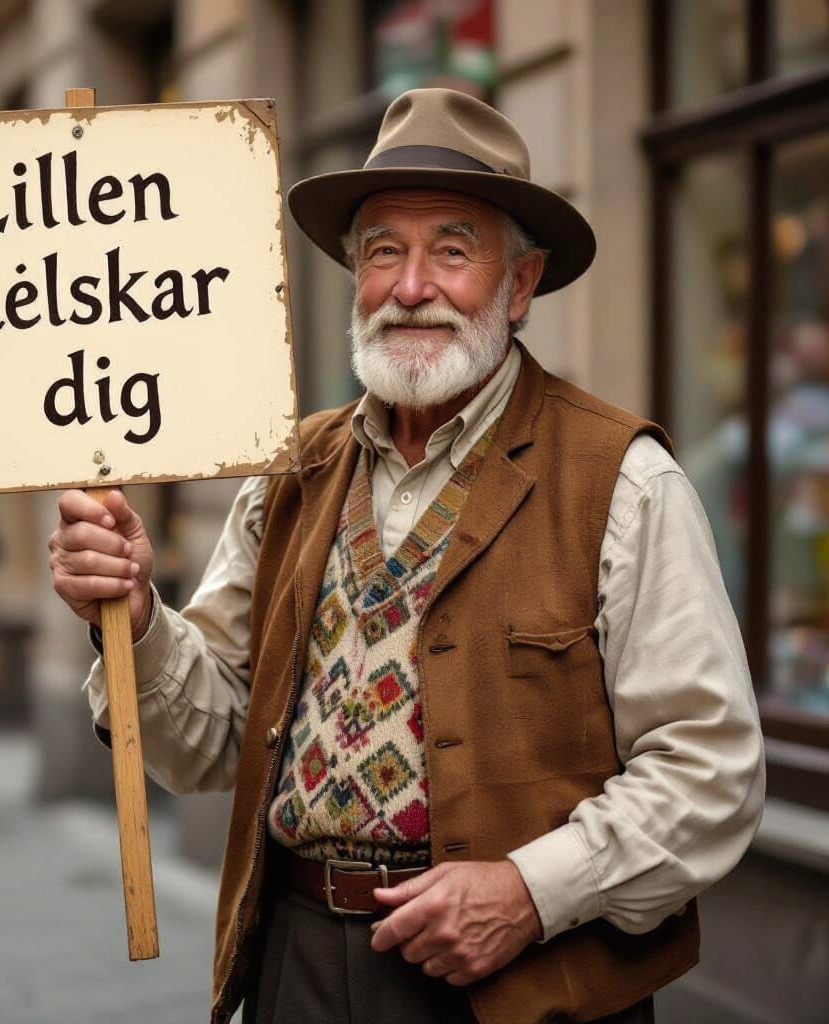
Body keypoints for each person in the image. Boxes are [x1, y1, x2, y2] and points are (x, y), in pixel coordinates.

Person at [49, 90, 765, 1024]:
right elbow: (211, 740)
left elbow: (710, 769)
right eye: (384, 250)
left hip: (521, 984)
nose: (412, 286)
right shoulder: (292, 472)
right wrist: (136, 618)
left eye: (453, 250)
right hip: (295, 962)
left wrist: (527, 892)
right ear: (355, 276)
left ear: (519, 285)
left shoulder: (621, 479)